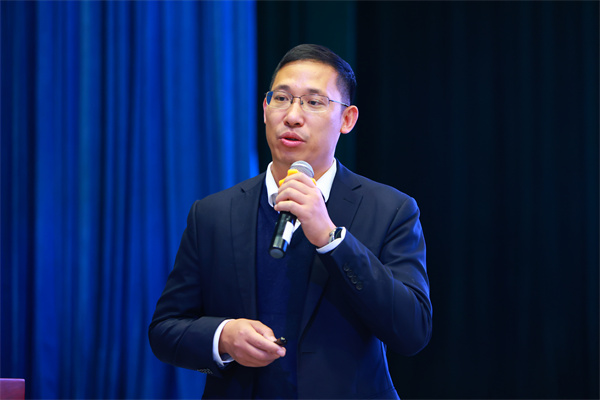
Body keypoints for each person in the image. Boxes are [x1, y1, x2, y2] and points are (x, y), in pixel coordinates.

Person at [149, 44, 432, 399]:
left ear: (347, 120)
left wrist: (331, 238)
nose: (293, 116)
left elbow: (412, 331)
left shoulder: (391, 209)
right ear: (265, 110)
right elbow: (165, 331)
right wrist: (223, 338)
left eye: (313, 102)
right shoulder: (212, 214)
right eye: (281, 99)